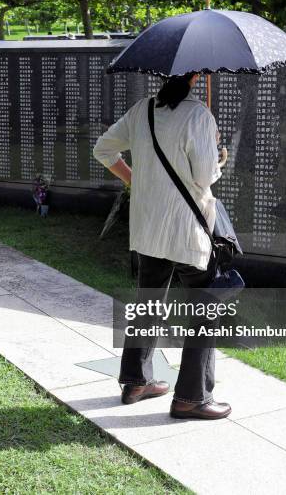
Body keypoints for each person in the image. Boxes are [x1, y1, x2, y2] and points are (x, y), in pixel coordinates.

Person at [93, 74, 231, 420]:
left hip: (149, 227)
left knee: (148, 301)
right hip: (186, 231)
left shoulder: (143, 110)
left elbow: (103, 149)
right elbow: (204, 176)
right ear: (196, 77)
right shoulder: (198, 114)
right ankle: (191, 398)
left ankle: (135, 381)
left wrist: (133, 179)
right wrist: (219, 155)